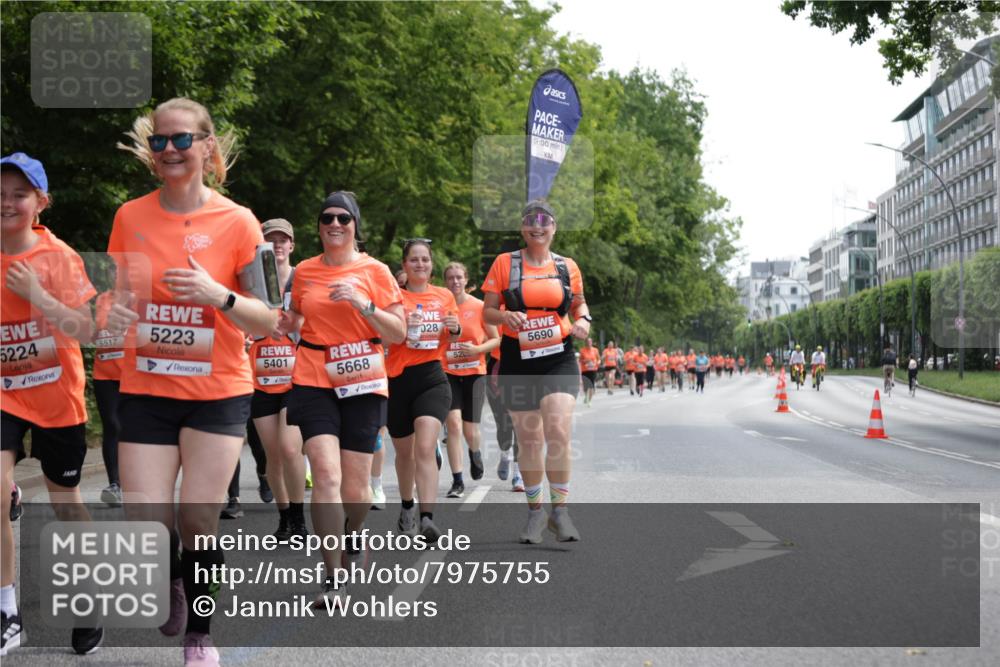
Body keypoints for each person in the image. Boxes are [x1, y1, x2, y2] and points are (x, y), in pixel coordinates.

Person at [108, 98, 278, 666]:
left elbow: (268, 318)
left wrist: (218, 295)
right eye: (159, 141)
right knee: (145, 519)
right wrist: (114, 311)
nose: (170, 150)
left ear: (207, 147)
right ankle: (172, 577)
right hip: (147, 388)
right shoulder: (130, 217)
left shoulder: (239, 221)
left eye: (182, 139)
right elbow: (118, 297)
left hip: (217, 392)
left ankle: (200, 636)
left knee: (199, 520)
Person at [1, 152, 103, 656]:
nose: (7, 203)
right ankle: (7, 610)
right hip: (4, 393)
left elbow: (86, 329)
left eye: (19, 195)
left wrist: (38, 295)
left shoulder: (57, 256)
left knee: (66, 502)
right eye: (0, 194)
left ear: (41, 202)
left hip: (55, 394)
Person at [284, 191, 405, 607]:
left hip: (362, 380)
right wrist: (283, 320)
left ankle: (353, 531)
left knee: (356, 491)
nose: (334, 224)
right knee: (325, 476)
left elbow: (397, 332)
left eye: (343, 218)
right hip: (313, 376)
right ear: (319, 227)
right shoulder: (304, 271)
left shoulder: (376, 271)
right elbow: (295, 317)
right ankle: (333, 575)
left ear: (355, 225)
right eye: (327, 218)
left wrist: (363, 303)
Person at [482, 199, 591, 543]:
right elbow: (487, 311)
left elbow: (579, 304)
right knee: (530, 439)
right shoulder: (505, 263)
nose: (537, 226)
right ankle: (535, 514)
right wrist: (504, 316)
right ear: (522, 227)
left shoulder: (567, 266)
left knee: (557, 429)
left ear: (554, 228)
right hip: (518, 358)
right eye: (531, 220)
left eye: (544, 221)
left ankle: (560, 512)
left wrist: (584, 320)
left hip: (558, 356)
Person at [388, 239, 459, 541]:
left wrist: (455, 328)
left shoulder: (444, 296)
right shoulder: (394, 298)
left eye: (425, 260)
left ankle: (427, 517)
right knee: (405, 454)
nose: (420, 264)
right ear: (404, 265)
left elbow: (452, 337)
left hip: (432, 377)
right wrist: (402, 326)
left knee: (426, 447)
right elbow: (383, 339)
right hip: (397, 380)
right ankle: (407, 505)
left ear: (431, 265)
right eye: (414, 260)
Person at [246, 218, 306, 538]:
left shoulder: (303, 279)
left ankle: (299, 518)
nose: (278, 245)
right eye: (272, 240)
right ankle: (284, 518)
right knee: (273, 456)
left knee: (290, 449)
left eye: (283, 240)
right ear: (262, 246)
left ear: (292, 245)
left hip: (296, 379)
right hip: (261, 379)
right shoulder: (252, 284)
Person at [442, 261, 500, 498]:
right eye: (450, 278)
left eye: (459, 277)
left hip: (475, 373)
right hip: (448, 373)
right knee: (453, 424)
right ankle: (457, 480)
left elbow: (495, 339)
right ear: (445, 282)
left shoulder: (479, 306)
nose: (455, 281)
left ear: (466, 279)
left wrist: (477, 350)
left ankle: (475, 452)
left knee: (470, 429)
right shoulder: (441, 307)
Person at [92, 278, 125, 507]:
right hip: (104, 372)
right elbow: (96, 332)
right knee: (112, 425)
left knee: (135, 428)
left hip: (133, 374)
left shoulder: (142, 299)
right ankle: (115, 484)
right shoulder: (102, 299)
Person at [578, 337, 600, 406]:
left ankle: (589, 401)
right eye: (587, 342)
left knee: (591, 385)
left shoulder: (595, 350)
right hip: (585, 370)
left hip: (593, 369)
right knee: (586, 386)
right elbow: (580, 360)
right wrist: (585, 361)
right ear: (585, 343)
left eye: (590, 342)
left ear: (592, 342)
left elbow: (599, 359)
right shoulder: (582, 350)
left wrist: (597, 363)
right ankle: (586, 396)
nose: (589, 343)